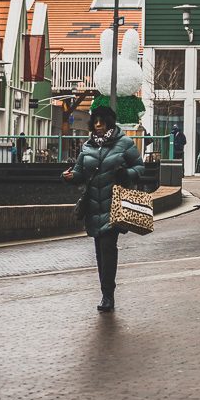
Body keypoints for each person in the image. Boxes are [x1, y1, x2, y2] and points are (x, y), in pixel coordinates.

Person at [63, 106, 145, 313]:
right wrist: (69, 177)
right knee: (100, 253)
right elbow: (80, 172)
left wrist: (126, 174)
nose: (98, 125)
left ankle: (108, 295)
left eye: (102, 121)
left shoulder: (124, 143)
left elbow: (140, 167)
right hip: (93, 207)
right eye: (95, 122)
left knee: (108, 249)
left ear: (109, 122)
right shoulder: (87, 146)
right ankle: (105, 291)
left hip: (114, 205)